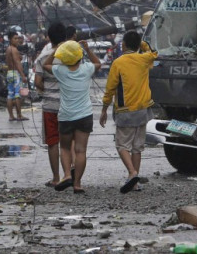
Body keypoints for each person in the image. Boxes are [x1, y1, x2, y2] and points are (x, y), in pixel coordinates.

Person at [100, 30, 158, 194]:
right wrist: (142, 44)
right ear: (138, 44)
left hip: (125, 110)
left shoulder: (118, 63)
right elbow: (154, 53)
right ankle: (134, 183)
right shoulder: (145, 59)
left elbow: (110, 88)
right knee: (137, 148)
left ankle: (132, 173)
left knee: (122, 145)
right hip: (142, 110)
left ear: (123, 44)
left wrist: (104, 109)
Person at [52, 40, 101, 194]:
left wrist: (57, 50)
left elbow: (45, 65)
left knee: (65, 148)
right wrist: (87, 48)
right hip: (84, 115)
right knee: (80, 151)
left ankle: (67, 175)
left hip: (66, 116)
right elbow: (98, 63)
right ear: (80, 56)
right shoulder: (86, 69)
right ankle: (77, 183)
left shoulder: (59, 70)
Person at [33, 22, 66, 187]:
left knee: (53, 142)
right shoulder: (71, 55)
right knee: (69, 141)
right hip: (69, 105)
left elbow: (37, 82)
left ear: (49, 38)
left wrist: (46, 89)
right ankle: (70, 174)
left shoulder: (42, 58)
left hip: (50, 106)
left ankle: (56, 178)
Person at [5, 31, 28, 121]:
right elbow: (17, 63)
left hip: (9, 73)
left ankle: (11, 116)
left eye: (18, 38)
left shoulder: (8, 49)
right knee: (17, 95)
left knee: (10, 95)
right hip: (15, 73)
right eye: (15, 38)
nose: (17, 40)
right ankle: (19, 115)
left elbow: (14, 59)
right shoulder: (14, 50)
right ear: (10, 39)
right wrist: (22, 75)